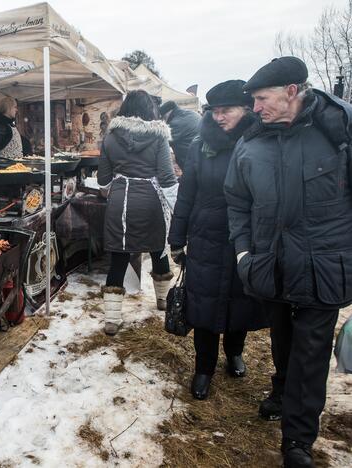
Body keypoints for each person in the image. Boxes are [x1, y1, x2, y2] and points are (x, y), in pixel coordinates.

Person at [224, 56, 352, 468]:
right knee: (282, 342)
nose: (255, 108)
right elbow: (237, 202)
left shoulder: (339, 132)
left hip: (324, 267)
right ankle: (281, 393)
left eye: (262, 98)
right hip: (271, 265)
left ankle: (297, 440)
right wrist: (244, 252)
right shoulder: (251, 143)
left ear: (292, 92)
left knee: (311, 355)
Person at [168, 80, 268, 401]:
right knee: (204, 304)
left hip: (245, 238)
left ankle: (235, 352)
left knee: (241, 299)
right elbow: (187, 192)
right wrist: (177, 236)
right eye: (215, 111)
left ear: (247, 109)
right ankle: (203, 368)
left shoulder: (260, 143)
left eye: (228, 110)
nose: (219, 117)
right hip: (206, 235)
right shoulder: (200, 145)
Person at [98, 90, 177, 335]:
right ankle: (163, 300)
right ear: (150, 110)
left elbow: (103, 181)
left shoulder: (110, 137)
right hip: (151, 201)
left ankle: (112, 319)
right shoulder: (159, 136)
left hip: (120, 202)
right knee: (157, 248)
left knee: (120, 257)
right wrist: (179, 209)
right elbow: (166, 177)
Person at [0, 96, 32, 161]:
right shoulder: (1, 127)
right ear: (8, 108)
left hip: (14, 167)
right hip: (6, 169)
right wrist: (6, 163)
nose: (17, 110)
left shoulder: (7, 125)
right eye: (15, 107)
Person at [159, 100, 200, 169]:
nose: (163, 121)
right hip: (201, 158)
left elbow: (161, 143)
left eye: (163, 118)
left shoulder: (175, 123)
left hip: (192, 163)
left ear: (167, 114)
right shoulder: (192, 113)